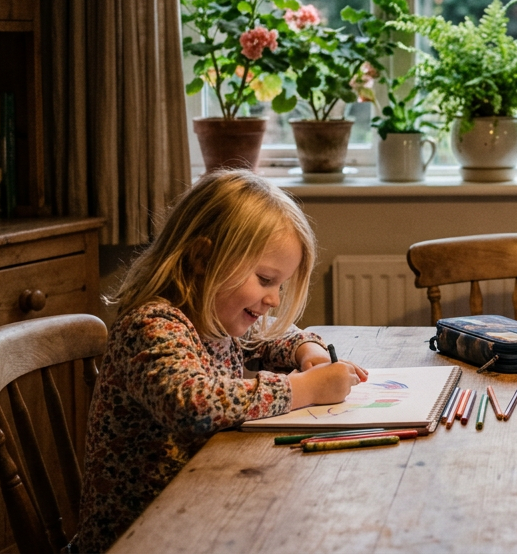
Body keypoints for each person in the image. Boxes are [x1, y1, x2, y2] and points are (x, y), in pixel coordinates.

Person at [74, 170, 367, 553]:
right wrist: (304, 389)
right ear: (202, 258)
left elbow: (266, 337)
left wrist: (304, 349)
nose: (274, 299)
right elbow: (197, 404)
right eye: (265, 279)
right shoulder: (151, 326)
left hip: (200, 511)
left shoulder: (213, 316)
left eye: (279, 285)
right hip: (141, 535)